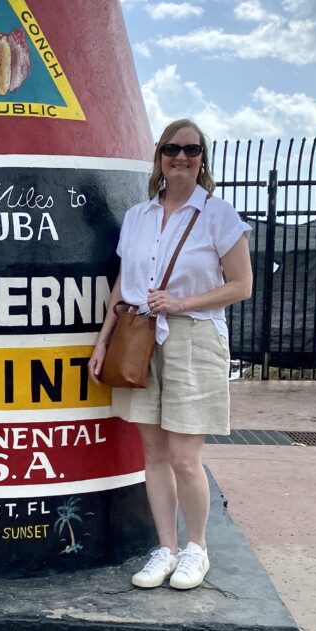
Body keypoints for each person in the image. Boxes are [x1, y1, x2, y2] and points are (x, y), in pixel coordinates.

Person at [89, 119, 252, 590]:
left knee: (185, 457)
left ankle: (196, 548)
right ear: (159, 157)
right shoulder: (138, 216)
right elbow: (124, 283)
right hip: (138, 338)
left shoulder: (218, 214)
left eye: (191, 149)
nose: (181, 157)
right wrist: (104, 338)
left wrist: (182, 302)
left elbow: (241, 286)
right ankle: (166, 548)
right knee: (154, 454)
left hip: (193, 338)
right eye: (171, 149)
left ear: (203, 159)